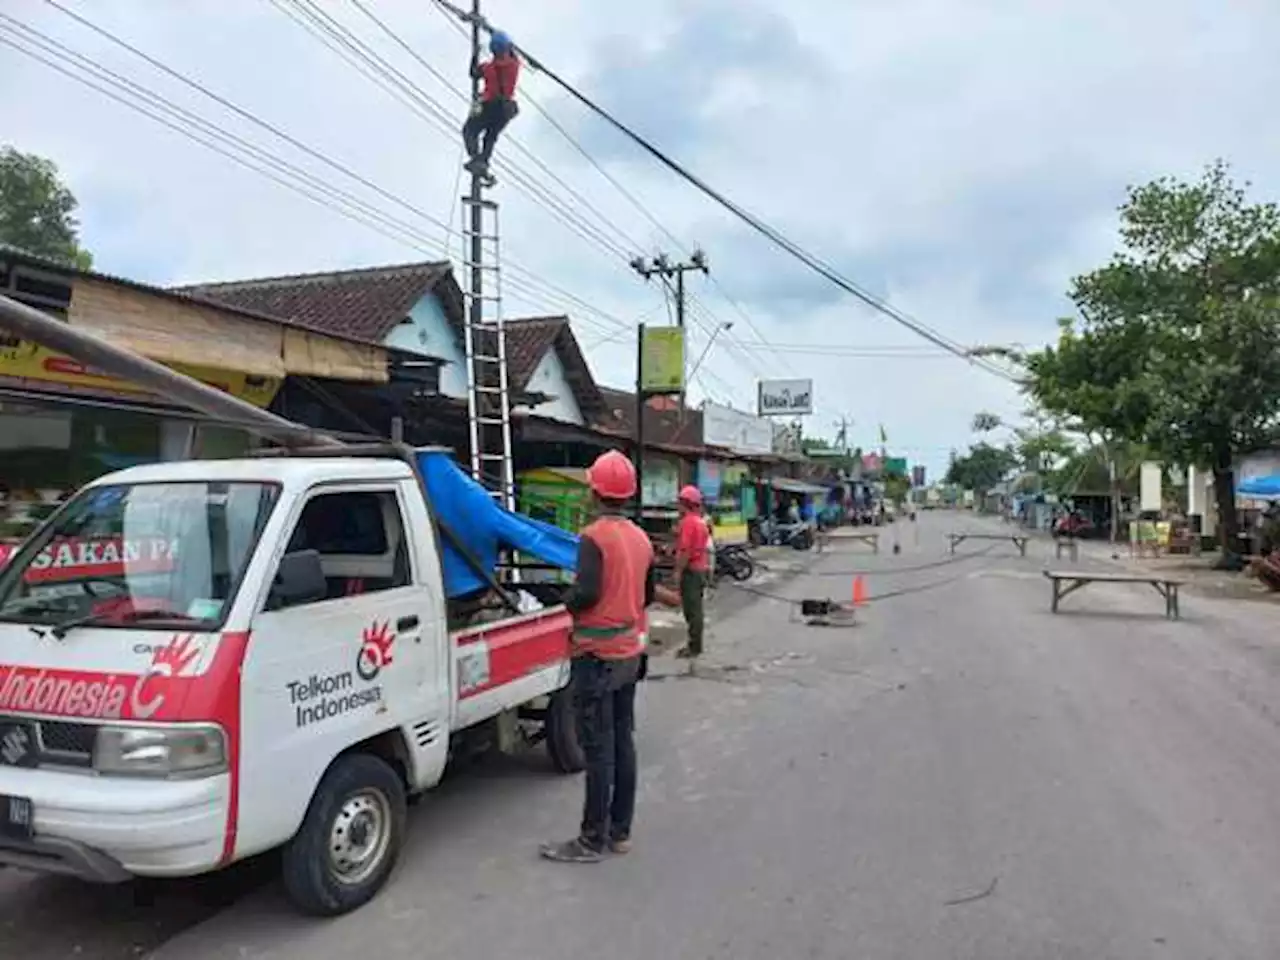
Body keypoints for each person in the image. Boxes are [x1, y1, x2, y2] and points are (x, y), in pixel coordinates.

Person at [540, 450, 655, 864]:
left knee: (598, 749)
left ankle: (591, 839)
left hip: (596, 656)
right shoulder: (641, 538)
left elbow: (586, 593)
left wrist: (561, 601)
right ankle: (620, 831)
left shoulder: (594, 537)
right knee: (623, 741)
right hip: (629, 652)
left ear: (596, 491)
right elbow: (649, 595)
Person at [462, 29, 520, 185]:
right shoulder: (514, 65)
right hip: (506, 110)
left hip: (489, 106)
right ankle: (483, 161)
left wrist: (475, 54)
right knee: (490, 136)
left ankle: (476, 159)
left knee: (470, 130)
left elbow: (473, 73)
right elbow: (513, 52)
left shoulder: (488, 68)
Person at [673, 485, 710, 659]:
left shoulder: (688, 522)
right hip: (701, 568)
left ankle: (694, 646)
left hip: (691, 571)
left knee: (692, 610)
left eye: (680, 503)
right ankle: (695, 643)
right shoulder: (700, 521)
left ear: (685, 503)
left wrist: (678, 571)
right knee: (696, 609)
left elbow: (686, 551)